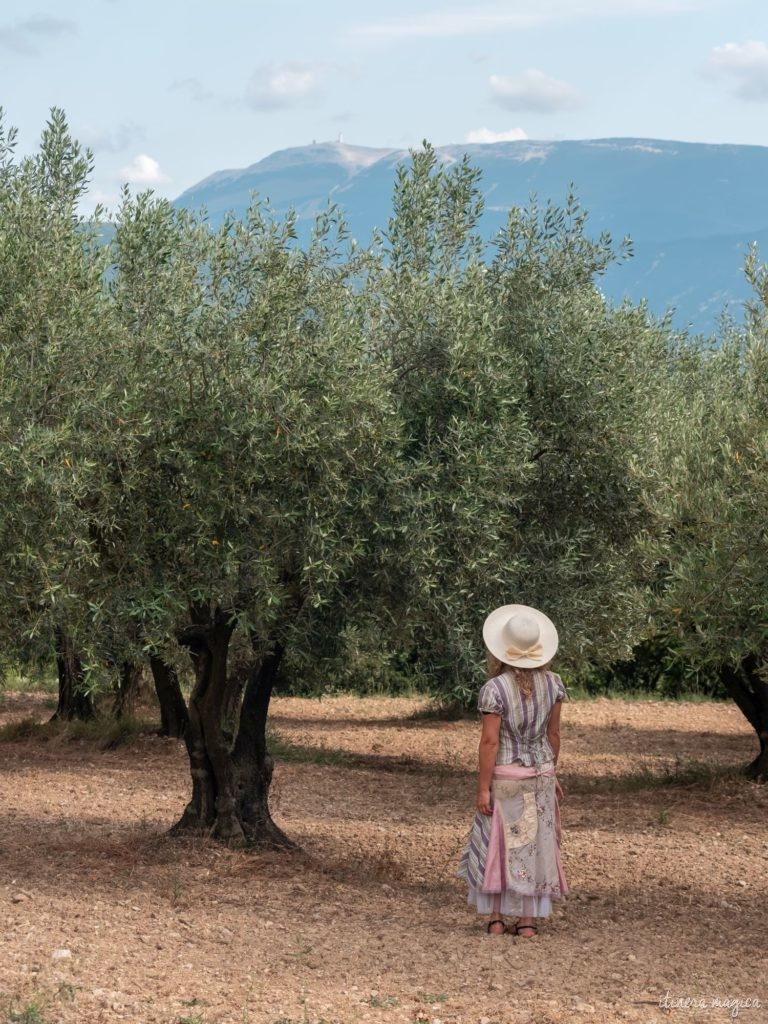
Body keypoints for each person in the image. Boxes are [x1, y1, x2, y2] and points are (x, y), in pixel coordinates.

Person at [457, 603, 569, 936]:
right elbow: (553, 735)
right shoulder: (554, 684)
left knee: (500, 845)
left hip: (507, 775)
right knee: (533, 848)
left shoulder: (494, 690)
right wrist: (551, 771)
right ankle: (527, 922)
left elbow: (490, 743)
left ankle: (495, 918)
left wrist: (482, 788)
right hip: (540, 776)